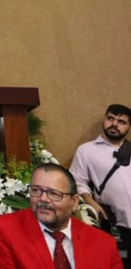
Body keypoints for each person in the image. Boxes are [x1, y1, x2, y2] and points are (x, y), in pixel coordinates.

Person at [0, 164, 122, 268]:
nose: (43, 199)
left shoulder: (104, 244)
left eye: (54, 194)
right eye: (36, 190)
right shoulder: (6, 230)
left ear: (74, 202)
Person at [69, 104, 131, 260]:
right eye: (111, 118)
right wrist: (90, 201)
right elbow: (76, 181)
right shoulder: (86, 150)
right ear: (104, 120)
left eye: (121, 122)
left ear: (128, 127)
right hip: (115, 224)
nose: (114, 124)